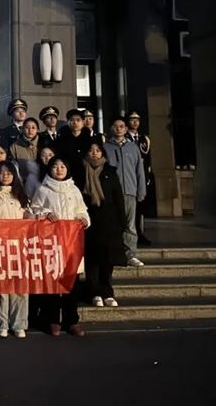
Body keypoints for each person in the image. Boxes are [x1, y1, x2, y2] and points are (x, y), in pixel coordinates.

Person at [30, 156, 90, 337]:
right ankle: (53, 320)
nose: (59, 169)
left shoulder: (74, 189)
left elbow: (82, 210)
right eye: (55, 166)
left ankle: (72, 321)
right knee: (53, 285)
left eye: (62, 166)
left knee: (72, 285)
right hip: (52, 245)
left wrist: (83, 219)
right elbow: (34, 210)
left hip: (71, 244)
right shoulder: (43, 189)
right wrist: (46, 213)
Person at [0, 161, 32, 338]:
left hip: (19, 247)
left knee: (20, 286)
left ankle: (19, 323)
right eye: (1, 172)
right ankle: (1, 323)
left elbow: (29, 216)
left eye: (9, 173)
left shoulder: (21, 196)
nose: (5, 176)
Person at [81, 142, 126, 308]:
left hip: (109, 222)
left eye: (97, 150)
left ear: (102, 153)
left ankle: (107, 292)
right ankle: (94, 292)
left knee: (107, 261)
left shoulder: (110, 172)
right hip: (89, 222)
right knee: (92, 261)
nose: (94, 153)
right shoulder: (81, 171)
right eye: (91, 150)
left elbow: (118, 198)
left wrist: (122, 222)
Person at [103, 117, 146, 267]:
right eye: (116, 126)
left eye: (122, 126)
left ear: (126, 129)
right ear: (111, 128)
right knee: (112, 224)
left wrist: (141, 191)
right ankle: (113, 255)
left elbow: (139, 170)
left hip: (129, 191)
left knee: (130, 225)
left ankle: (131, 255)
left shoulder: (133, 148)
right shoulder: (105, 147)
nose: (119, 129)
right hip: (111, 193)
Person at [126, 111, 154, 245]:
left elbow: (147, 160)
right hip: (129, 176)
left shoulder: (144, 139)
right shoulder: (124, 138)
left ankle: (140, 233)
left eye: (137, 120)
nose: (135, 122)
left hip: (141, 177)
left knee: (141, 208)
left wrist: (147, 177)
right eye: (132, 120)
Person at [54, 109, 97, 190]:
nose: (75, 123)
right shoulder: (61, 140)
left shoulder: (90, 140)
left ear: (83, 122)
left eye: (78, 120)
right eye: (72, 120)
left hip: (86, 176)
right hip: (67, 176)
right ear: (68, 122)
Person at [9, 117, 41, 182]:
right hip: (22, 181)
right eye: (27, 127)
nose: (30, 130)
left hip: (41, 181)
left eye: (33, 128)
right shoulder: (14, 146)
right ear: (22, 129)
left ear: (38, 130)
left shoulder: (43, 144)